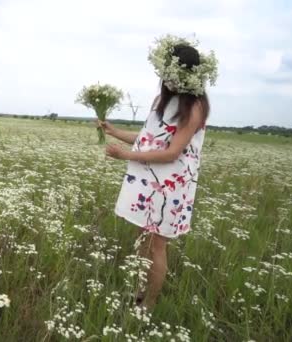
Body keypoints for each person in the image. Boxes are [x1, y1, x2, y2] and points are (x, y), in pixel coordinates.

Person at [98, 35, 218, 309]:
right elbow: (147, 140)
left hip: (170, 186)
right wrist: (113, 131)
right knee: (144, 240)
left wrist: (125, 155)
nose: (164, 76)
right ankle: (139, 292)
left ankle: (148, 304)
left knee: (157, 245)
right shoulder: (161, 101)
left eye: (169, 71)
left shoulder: (195, 106)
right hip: (149, 181)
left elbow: (172, 152)